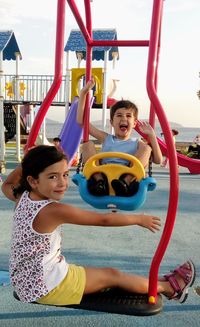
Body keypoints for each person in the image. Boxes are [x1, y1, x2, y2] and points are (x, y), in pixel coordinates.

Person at [1, 145, 195, 305]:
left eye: (65, 175)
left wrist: (27, 163)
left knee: (101, 274)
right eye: (53, 177)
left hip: (25, 279)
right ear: (33, 181)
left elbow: (7, 183)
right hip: (46, 285)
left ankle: (160, 281)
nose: (62, 183)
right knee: (112, 276)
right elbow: (103, 219)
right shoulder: (53, 211)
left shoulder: (21, 196)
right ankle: (171, 288)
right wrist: (138, 219)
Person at [77, 77, 162, 197]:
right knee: (87, 145)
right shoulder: (106, 138)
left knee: (147, 148)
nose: (123, 118)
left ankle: (125, 182)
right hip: (103, 176)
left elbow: (158, 160)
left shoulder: (137, 143)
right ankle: (100, 181)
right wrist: (83, 93)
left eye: (128, 116)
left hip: (127, 178)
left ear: (134, 123)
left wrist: (152, 136)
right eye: (119, 115)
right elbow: (81, 122)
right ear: (112, 122)